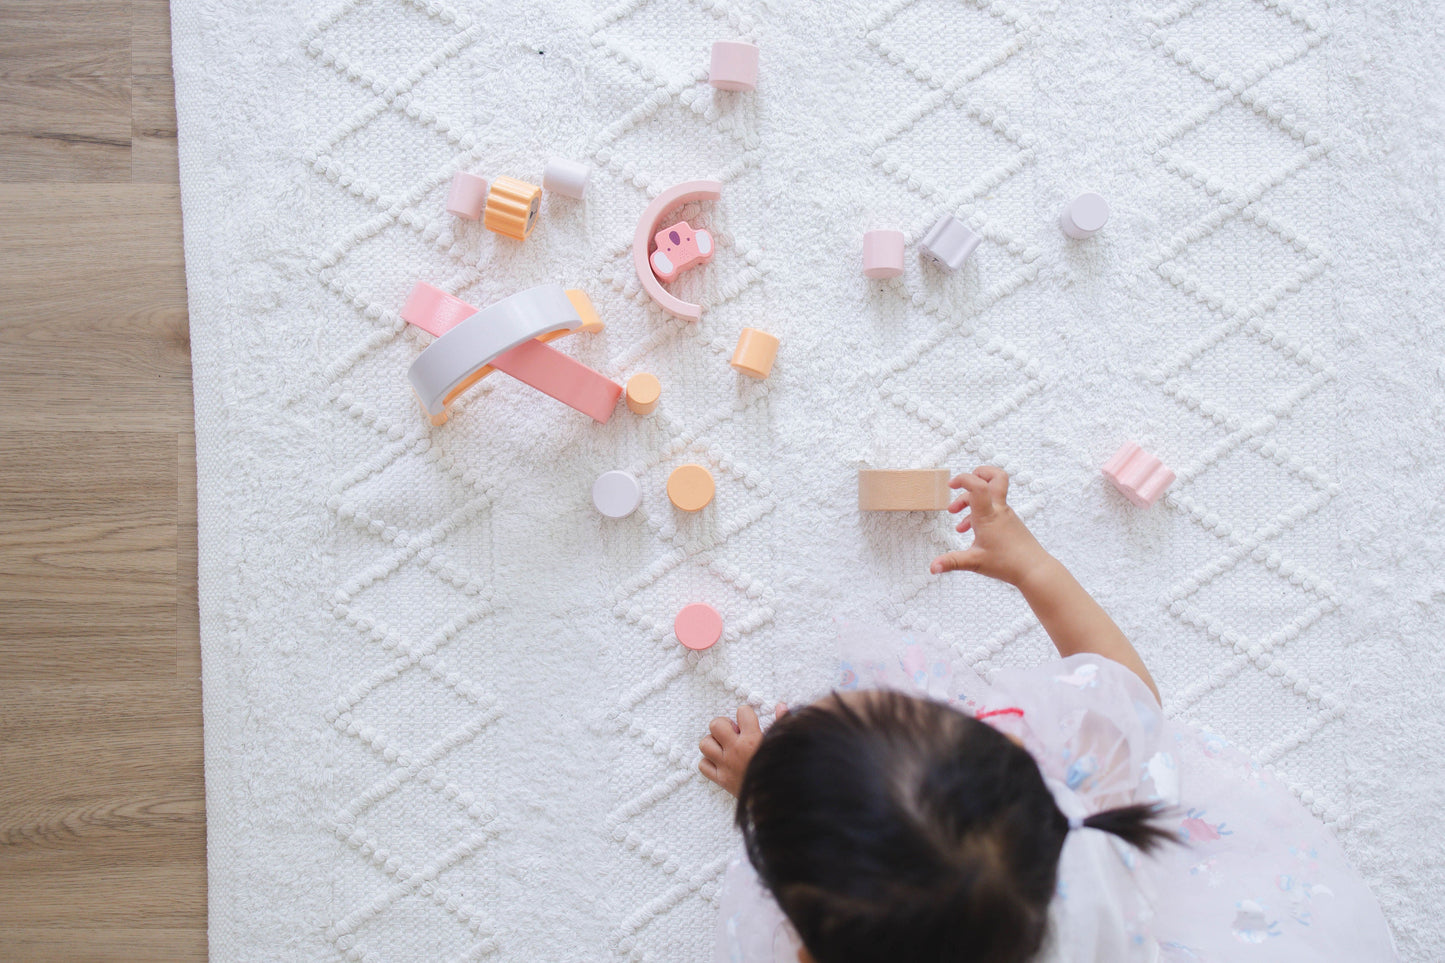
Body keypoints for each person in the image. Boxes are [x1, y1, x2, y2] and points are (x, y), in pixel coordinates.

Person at [699, 467, 1398, 962]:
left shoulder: (842, 930)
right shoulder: (1094, 830)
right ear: (1012, 754)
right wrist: (1030, 565)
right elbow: (1125, 688)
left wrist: (763, 784)